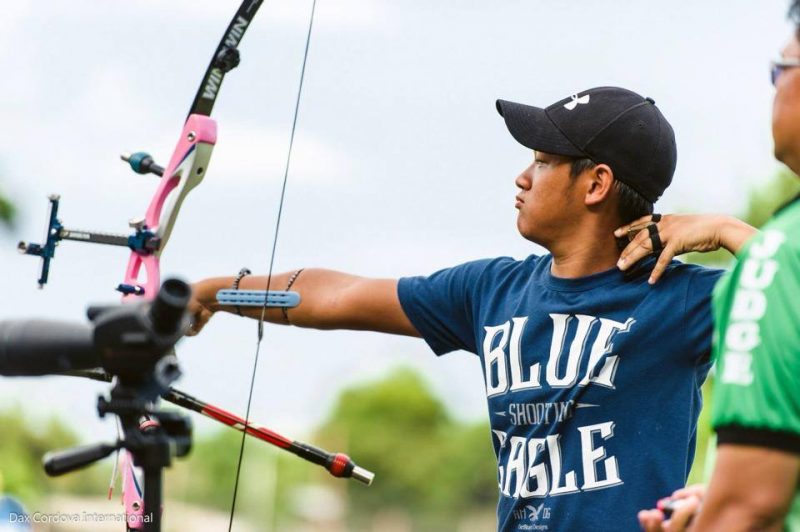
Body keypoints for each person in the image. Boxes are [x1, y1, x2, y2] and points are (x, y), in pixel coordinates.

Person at [189, 87, 755, 531]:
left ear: (596, 184)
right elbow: (337, 296)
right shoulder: (492, 291)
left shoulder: (682, 297)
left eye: (543, 161)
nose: (523, 177)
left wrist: (730, 231)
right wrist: (208, 292)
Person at [638, 3, 800, 531]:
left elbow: (748, 508)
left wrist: (720, 513)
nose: (773, 86)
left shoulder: (778, 259)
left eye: (781, 67)